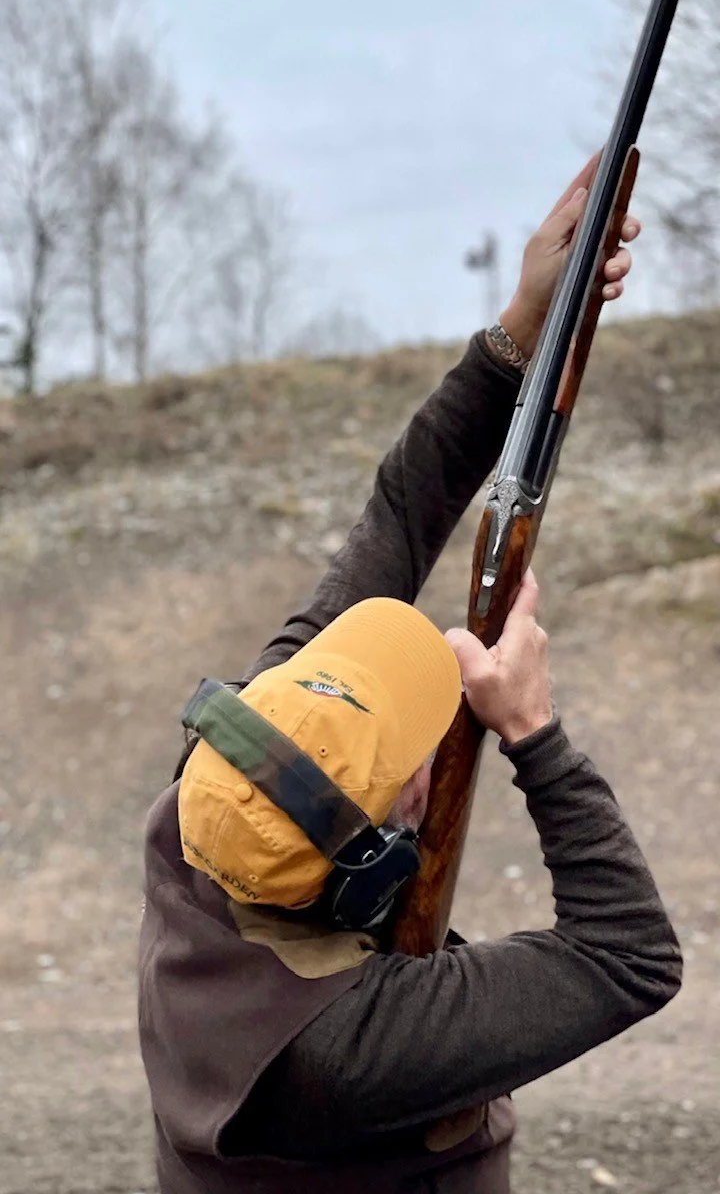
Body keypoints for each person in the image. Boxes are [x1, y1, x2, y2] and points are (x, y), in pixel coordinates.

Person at [138, 155, 682, 1194]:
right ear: (377, 862)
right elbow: (631, 955)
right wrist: (534, 733)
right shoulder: (340, 1049)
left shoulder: (216, 799)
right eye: (418, 748)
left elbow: (397, 515)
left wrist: (524, 324)